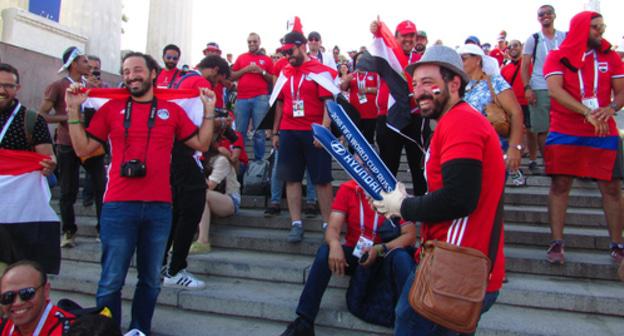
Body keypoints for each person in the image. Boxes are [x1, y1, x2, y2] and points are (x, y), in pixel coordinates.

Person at [64, 52, 215, 334]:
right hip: (118, 206)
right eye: (125, 71)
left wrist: (208, 111)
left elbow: (202, 144)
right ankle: (106, 331)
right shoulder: (110, 110)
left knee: (151, 279)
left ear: (153, 74)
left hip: (159, 207)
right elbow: (84, 150)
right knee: (111, 279)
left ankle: (139, 329)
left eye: (137, 70)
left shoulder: (173, 111)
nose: (131, 76)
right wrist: (73, 111)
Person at [372, 45, 506, 336]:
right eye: (415, 84)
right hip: (453, 263)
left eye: (429, 83)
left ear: (454, 83)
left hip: (456, 266)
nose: (418, 92)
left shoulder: (461, 122)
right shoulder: (455, 121)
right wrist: (408, 200)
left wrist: (403, 207)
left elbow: (459, 199)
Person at [280, 180, 416, 336]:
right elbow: (333, 227)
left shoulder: (392, 190)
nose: (363, 167)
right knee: (325, 251)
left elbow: (410, 236)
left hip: (384, 253)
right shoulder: (348, 189)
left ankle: (416, 318)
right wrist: (334, 243)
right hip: (357, 253)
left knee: (402, 258)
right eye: (358, 161)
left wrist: (380, 249)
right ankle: (304, 321)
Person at [542, 11, 624, 265]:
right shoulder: (557, 56)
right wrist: (587, 112)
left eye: (603, 26)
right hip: (565, 130)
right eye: (596, 27)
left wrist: (610, 109)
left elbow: (621, 92)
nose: (601, 32)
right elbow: (555, 91)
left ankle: (617, 244)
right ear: (580, 29)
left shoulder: (610, 56)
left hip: (603, 131)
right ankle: (557, 242)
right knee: (560, 185)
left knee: (611, 187)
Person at [160, 55, 221, 290]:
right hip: (185, 150)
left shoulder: (182, 79)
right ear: (215, 70)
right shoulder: (200, 84)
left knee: (176, 212)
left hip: (175, 151)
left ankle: (162, 265)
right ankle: (175, 269)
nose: (216, 85)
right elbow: (201, 125)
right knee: (191, 208)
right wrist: (216, 120)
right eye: (219, 79)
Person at [270, 31, 337, 243]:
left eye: (290, 51)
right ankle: (296, 223)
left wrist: (324, 132)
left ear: (302, 46)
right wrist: (275, 131)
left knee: (322, 180)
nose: (287, 56)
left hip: (314, 130)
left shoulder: (319, 71)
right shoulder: (285, 71)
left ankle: (328, 224)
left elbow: (329, 103)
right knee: (292, 178)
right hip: (289, 130)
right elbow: (279, 104)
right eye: (284, 52)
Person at [39, 46, 106, 248]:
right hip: (67, 144)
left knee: (101, 188)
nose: (90, 65)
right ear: (74, 63)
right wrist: (69, 117)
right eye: (85, 61)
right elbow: (42, 115)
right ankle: (68, 232)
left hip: (92, 144)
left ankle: (103, 230)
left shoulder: (91, 85)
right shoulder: (58, 86)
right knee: (68, 190)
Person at [0, 63, 60, 275]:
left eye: (8, 85)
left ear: (18, 88)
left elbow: (48, 157)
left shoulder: (31, 120)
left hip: (16, 216)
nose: (2, 90)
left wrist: (49, 165)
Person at [370, 20, 430, 196]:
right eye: (404, 35)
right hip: (388, 117)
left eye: (412, 35)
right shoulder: (386, 55)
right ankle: (388, 215)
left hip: (415, 117)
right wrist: (376, 32)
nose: (409, 39)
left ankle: (423, 211)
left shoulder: (421, 59)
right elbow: (377, 47)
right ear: (395, 37)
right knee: (388, 168)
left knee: (419, 168)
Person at [458, 43, 525, 186]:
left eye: (463, 58)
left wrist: (514, 147)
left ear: (477, 60)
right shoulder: (458, 86)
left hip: (493, 150)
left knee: (491, 197)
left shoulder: (495, 81)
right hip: (465, 151)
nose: (459, 62)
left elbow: (516, 112)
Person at [521, 5, 566, 171]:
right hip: (540, 86)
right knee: (542, 128)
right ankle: (549, 163)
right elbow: (525, 66)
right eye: (541, 14)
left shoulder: (564, 36)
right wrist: (527, 88)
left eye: (548, 13)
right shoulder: (534, 38)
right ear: (538, 18)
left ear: (554, 15)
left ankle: (564, 162)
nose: (545, 16)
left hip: (563, 88)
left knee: (565, 127)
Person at [190, 120, 241, 254]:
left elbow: (210, 186)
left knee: (201, 194)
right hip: (208, 196)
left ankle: (203, 240)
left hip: (229, 199)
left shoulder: (221, 160)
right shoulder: (197, 158)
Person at [0, 260, 75, 336]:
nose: (17, 303)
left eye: (27, 293)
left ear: (46, 290)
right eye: (8, 296)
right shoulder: (4, 326)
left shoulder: (71, 331)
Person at [231, 33, 273, 162]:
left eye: (254, 41)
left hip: (260, 98)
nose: (252, 44)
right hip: (242, 98)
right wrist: (246, 69)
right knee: (240, 131)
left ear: (259, 42)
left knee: (259, 132)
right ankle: (240, 160)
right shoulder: (241, 58)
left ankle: (258, 162)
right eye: (249, 42)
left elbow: (272, 79)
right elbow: (232, 76)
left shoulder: (267, 59)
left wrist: (262, 71)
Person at [501, 40, 537, 171]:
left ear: (521, 47)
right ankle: (514, 163)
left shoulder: (529, 65)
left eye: (515, 45)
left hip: (527, 103)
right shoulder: (505, 69)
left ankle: (533, 159)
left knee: (531, 131)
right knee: (514, 132)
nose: (512, 48)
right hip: (512, 104)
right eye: (509, 47)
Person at [340, 52, 379, 144]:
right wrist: (346, 80)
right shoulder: (352, 75)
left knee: (368, 141)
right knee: (354, 142)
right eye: (358, 60)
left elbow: (380, 90)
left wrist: (368, 89)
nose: (361, 62)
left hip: (371, 113)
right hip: (354, 114)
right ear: (355, 62)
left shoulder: (374, 74)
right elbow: (343, 88)